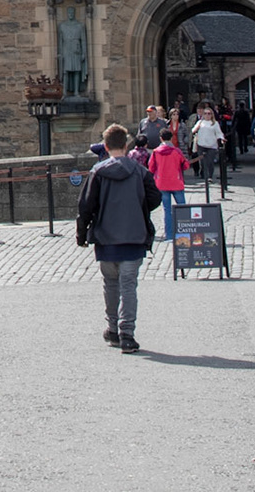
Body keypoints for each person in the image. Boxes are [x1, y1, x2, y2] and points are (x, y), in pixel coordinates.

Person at [76, 124, 161, 353]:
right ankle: (127, 334)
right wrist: (136, 208)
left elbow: (86, 205)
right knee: (128, 286)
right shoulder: (139, 171)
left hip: (106, 237)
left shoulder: (98, 171)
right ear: (126, 146)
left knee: (110, 284)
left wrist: (82, 233)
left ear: (105, 146)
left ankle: (113, 328)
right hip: (133, 236)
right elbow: (155, 198)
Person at [147, 130, 190, 240]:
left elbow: (151, 168)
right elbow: (185, 166)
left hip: (162, 184)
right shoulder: (176, 151)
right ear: (171, 138)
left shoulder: (156, 152)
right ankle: (184, 232)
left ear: (161, 138)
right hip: (176, 182)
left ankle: (169, 235)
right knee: (182, 208)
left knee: (167, 210)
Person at [191, 106, 225, 184]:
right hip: (201, 145)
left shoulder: (215, 123)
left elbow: (219, 133)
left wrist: (222, 139)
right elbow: (193, 130)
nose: (207, 115)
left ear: (212, 115)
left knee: (210, 162)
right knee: (203, 162)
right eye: (205, 113)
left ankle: (210, 176)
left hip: (211, 145)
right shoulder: (200, 122)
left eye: (209, 114)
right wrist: (197, 128)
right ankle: (205, 175)